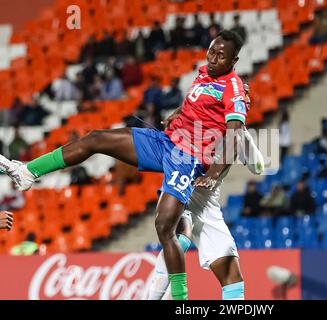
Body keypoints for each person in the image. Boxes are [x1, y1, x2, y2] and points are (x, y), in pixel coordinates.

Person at [0, 30, 247, 301]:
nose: (212, 58)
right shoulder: (205, 73)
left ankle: (180, 299)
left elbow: (234, 132)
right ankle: (28, 171)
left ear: (233, 60)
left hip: (186, 159)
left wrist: (213, 173)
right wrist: (178, 113)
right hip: (166, 142)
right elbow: (199, 106)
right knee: (96, 139)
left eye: (220, 56)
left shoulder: (233, 87)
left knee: (165, 227)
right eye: (211, 51)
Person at [148, 83, 264, 300]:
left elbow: (258, 167)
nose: (243, 102)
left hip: (207, 203)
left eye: (246, 99)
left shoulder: (237, 133)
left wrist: (243, 134)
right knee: (180, 238)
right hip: (181, 190)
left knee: (232, 274)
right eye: (240, 97)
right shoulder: (199, 119)